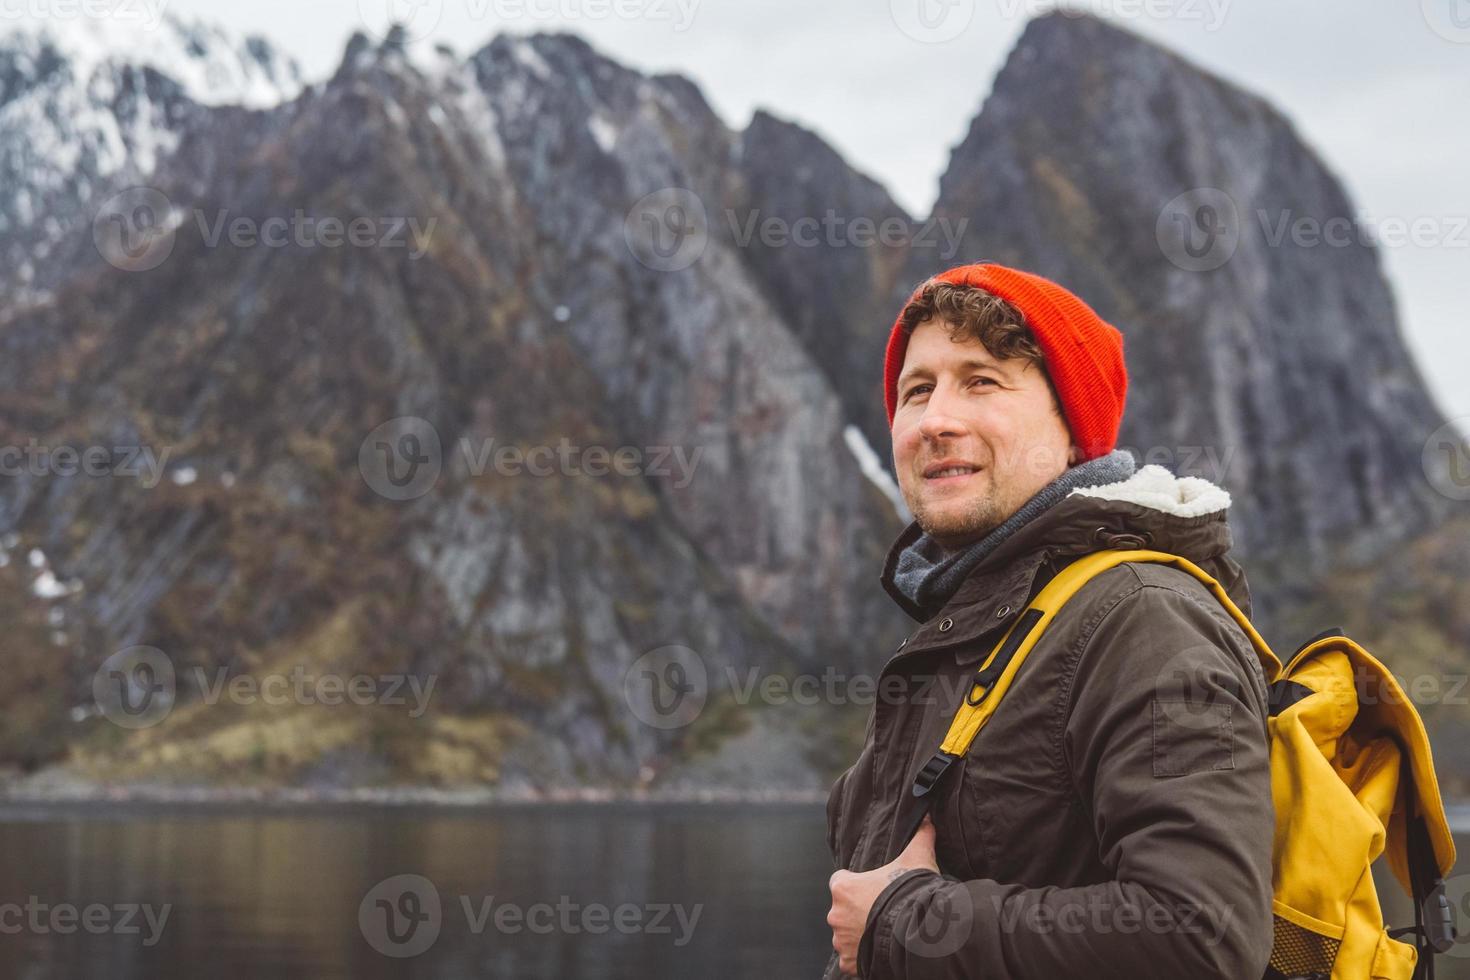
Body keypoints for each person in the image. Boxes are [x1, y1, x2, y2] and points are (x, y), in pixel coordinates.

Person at [823, 263, 1274, 979]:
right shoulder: (971, 627)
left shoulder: (1142, 620)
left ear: (1073, 431)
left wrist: (902, 921)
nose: (937, 419)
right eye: (917, 390)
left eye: (982, 381)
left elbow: (1204, 936)